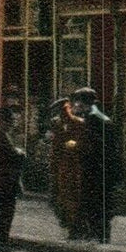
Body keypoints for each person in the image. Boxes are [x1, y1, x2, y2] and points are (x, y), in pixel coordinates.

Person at [72, 87, 124, 243]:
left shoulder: (94, 119)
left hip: (98, 169)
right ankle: (98, 235)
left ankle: (99, 236)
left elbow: (94, 145)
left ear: (83, 103)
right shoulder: (96, 116)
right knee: (97, 202)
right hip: (101, 168)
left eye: (78, 101)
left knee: (96, 202)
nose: (75, 105)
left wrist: (75, 146)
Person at [0, 91, 26, 252]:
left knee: (2, 214)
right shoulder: (2, 136)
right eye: (10, 121)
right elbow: (14, 155)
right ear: (5, 121)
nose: (12, 124)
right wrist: (20, 153)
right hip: (6, 180)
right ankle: (1, 246)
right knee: (5, 214)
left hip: (2, 180)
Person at [50, 94, 85, 238]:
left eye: (66, 110)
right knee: (61, 199)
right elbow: (55, 148)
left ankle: (75, 229)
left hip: (75, 167)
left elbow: (85, 143)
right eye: (61, 112)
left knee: (74, 199)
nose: (64, 114)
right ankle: (69, 225)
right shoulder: (58, 126)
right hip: (62, 168)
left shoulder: (79, 124)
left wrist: (74, 145)